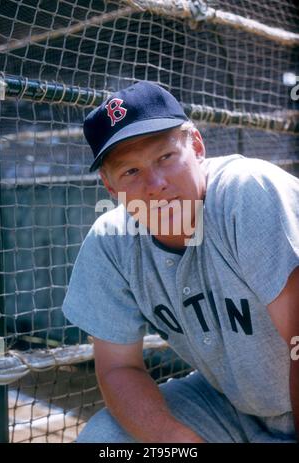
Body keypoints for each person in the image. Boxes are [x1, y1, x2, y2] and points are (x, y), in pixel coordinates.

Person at [62, 81, 299, 443]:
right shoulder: (112, 242)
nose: (155, 183)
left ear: (197, 146)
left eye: (165, 157)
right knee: (104, 439)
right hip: (232, 407)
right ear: (110, 187)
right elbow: (119, 368)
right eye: (131, 172)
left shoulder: (246, 192)